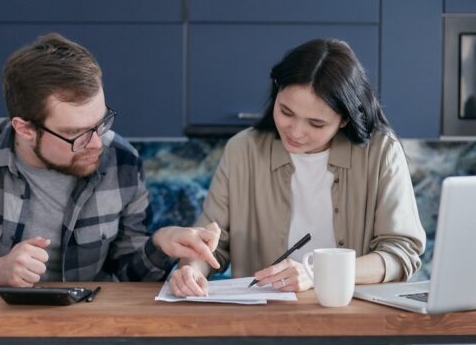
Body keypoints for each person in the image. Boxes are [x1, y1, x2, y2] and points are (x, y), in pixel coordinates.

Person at [0, 33, 221, 286]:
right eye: (77, 133)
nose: (97, 142)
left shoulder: (122, 161)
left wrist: (160, 244)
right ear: (24, 129)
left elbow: (129, 276)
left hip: (88, 334)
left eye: (102, 121)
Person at [169, 38, 426, 296]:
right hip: (264, 324)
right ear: (276, 90)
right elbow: (210, 241)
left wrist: (319, 274)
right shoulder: (242, 150)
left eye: (316, 123)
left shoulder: (380, 152)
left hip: (354, 318)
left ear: (345, 119)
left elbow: (400, 252)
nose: (296, 132)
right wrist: (191, 270)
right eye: (286, 112)